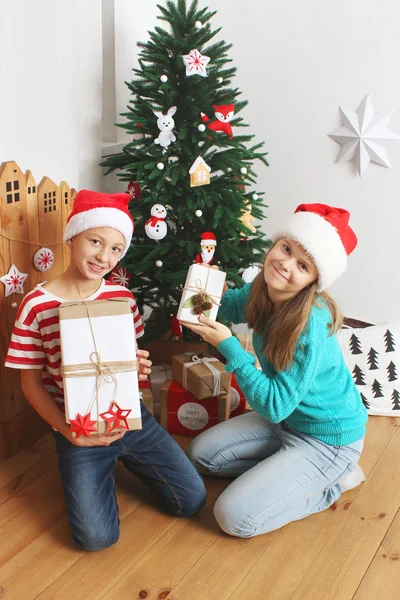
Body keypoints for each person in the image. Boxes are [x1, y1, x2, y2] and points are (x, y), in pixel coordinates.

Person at [5, 189, 206, 551]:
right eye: (95, 241)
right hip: (76, 424)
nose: (103, 256)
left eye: (116, 249)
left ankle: (125, 458)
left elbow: (128, 361)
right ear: (72, 237)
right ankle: (97, 466)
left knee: (190, 500)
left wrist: (139, 367)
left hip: (130, 415)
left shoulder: (122, 298)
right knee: (96, 538)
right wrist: (67, 431)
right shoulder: (37, 305)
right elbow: (29, 381)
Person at [183, 203, 367, 538]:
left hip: (328, 439)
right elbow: (233, 304)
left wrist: (230, 347)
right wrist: (204, 291)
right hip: (286, 422)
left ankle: (332, 484)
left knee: (233, 516)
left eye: (302, 265)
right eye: (286, 248)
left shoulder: (309, 323)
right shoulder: (264, 287)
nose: (285, 264)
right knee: (200, 457)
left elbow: (274, 405)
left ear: (314, 280)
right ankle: (283, 475)